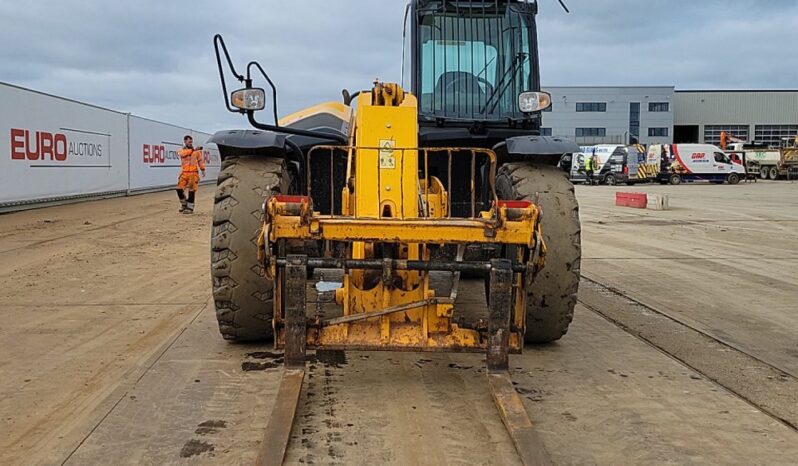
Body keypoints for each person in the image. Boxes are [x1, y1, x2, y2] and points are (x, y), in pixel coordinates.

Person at [176, 135, 205, 214]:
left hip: (193, 173)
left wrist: (202, 169)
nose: (190, 143)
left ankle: (190, 208)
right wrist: (193, 150)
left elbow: (200, 161)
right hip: (184, 173)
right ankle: (184, 204)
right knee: (179, 189)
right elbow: (183, 154)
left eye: (191, 142)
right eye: (189, 142)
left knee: (192, 190)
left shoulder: (197, 152)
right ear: (185, 141)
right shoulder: (181, 150)